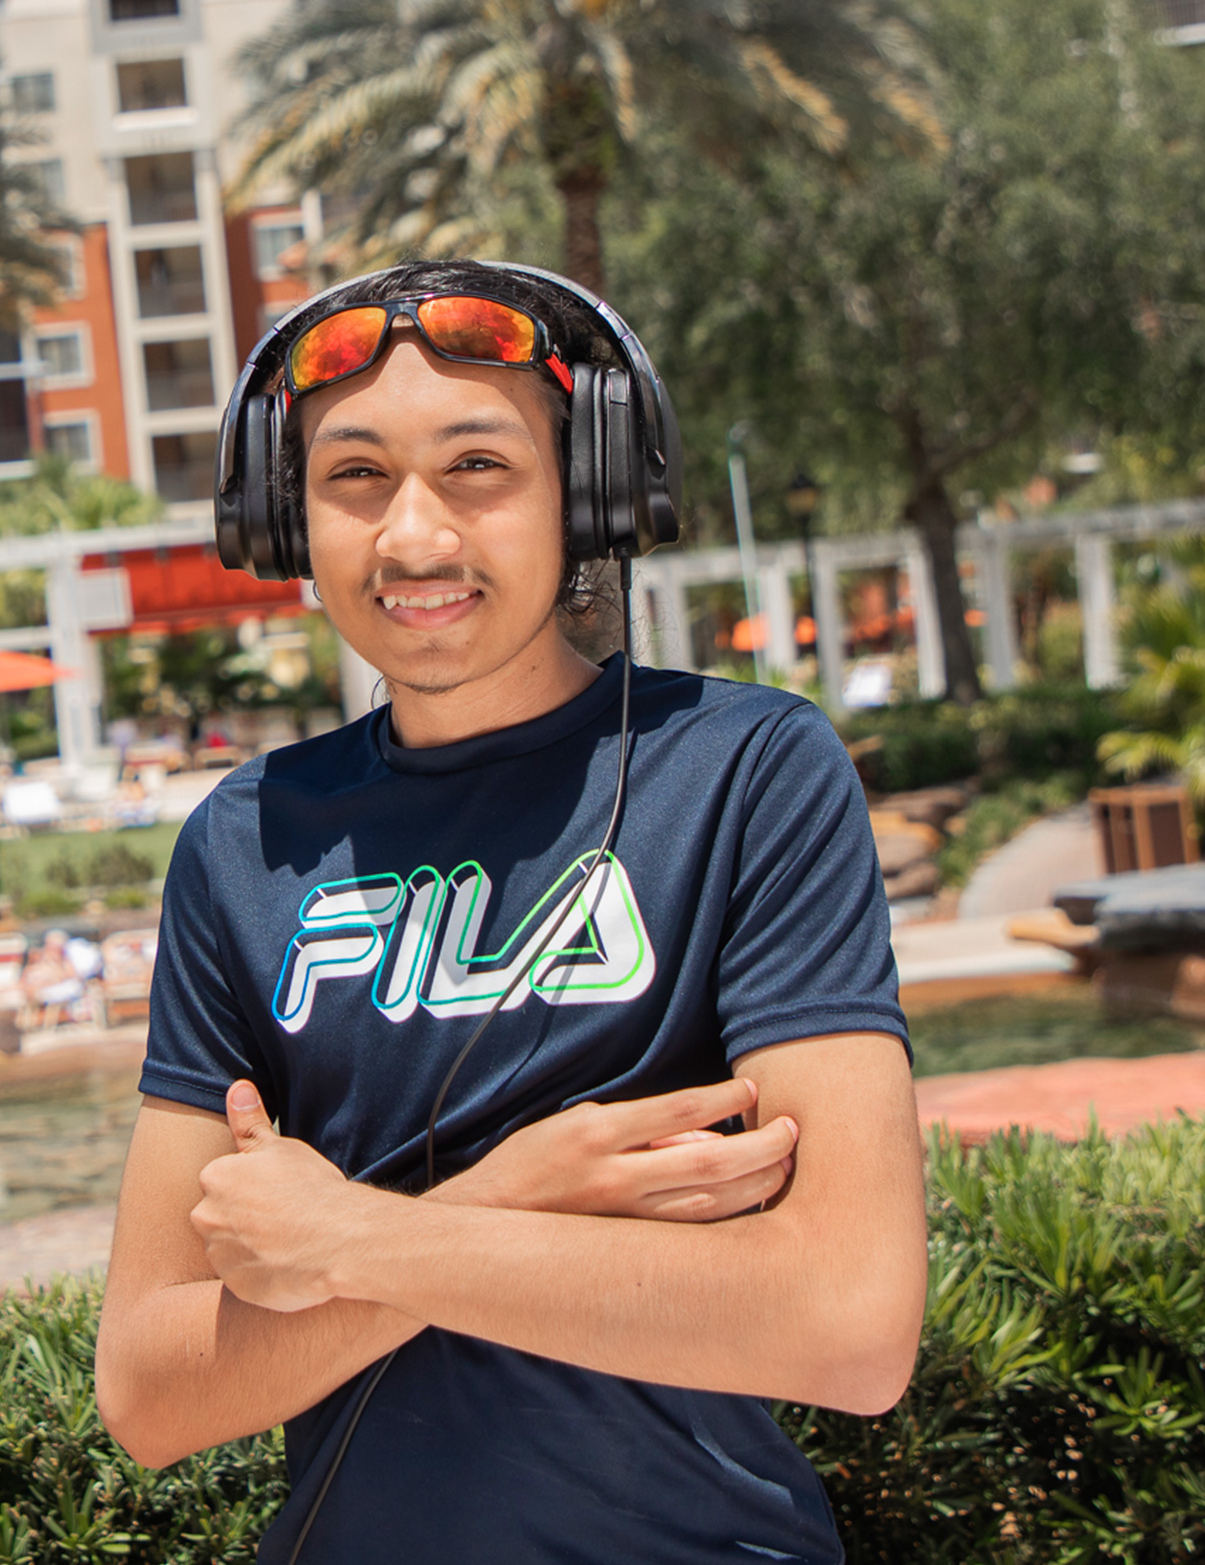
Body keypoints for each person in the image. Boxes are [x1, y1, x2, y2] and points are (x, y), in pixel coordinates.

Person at [94, 259, 926, 1562]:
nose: (413, 539)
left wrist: (347, 1239)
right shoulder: (243, 842)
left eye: (477, 467)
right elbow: (149, 1391)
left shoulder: (750, 771)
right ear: (283, 514)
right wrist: (513, 1199)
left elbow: (850, 1323)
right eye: (355, 476)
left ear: (585, 491)